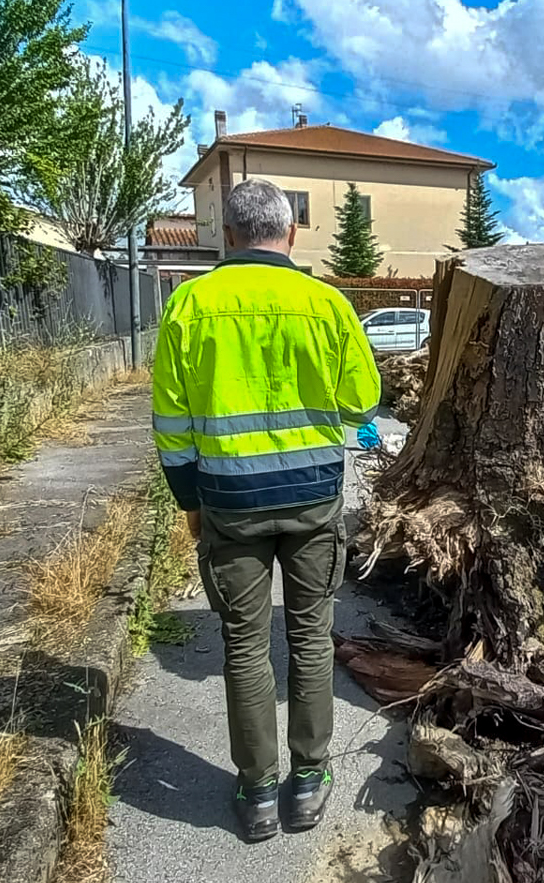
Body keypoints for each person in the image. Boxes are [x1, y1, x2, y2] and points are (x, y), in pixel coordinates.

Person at [151, 179, 382, 843]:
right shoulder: (326, 304)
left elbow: (171, 423)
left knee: (244, 646)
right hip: (311, 500)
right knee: (310, 638)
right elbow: (363, 405)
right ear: (290, 233)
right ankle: (308, 782)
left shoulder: (189, 305)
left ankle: (256, 792)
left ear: (228, 235)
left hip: (229, 501)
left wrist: (189, 502)